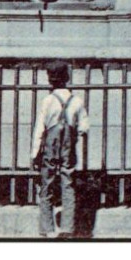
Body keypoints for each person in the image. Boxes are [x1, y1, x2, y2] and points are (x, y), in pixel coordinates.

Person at [31, 60, 90, 239]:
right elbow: (84, 128)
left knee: (46, 183)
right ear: (67, 77)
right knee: (68, 182)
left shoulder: (48, 101)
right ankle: (68, 228)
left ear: (50, 80)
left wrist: (34, 153)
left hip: (51, 143)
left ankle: (47, 228)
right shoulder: (77, 101)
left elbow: (39, 129)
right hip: (68, 144)